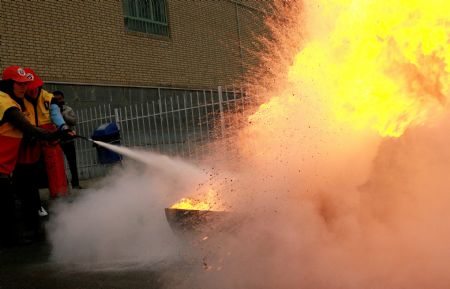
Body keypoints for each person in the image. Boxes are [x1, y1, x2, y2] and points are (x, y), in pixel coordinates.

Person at [0, 65, 60, 246]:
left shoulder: (14, 102)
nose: (23, 87)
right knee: (5, 203)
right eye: (18, 84)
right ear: (8, 84)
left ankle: (10, 239)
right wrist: (54, 135)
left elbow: (22, 131)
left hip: (5, 166)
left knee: (7, 200)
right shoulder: (5, 102)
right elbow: (26, 126)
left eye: (25, 84)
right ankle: (9, 242)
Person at [52, 90, 81, 189]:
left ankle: (76, 184)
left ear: (63, 98)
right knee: (59, 164)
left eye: (60, 99)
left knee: (72, 162)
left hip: (68, 139)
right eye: (56, 99)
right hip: (58, 140)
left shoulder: (68, 109)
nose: (58, 101)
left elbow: (73, 122)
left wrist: (64, 115)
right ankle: (65, 185)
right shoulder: (51, 111)